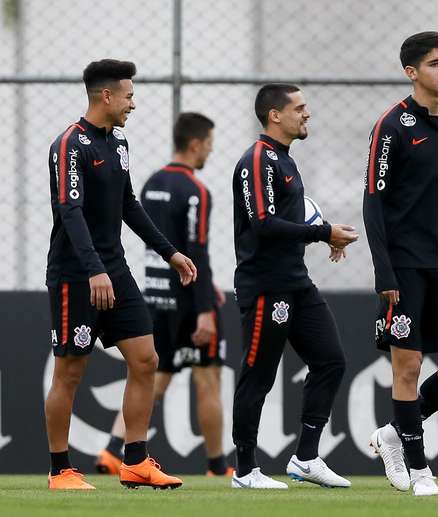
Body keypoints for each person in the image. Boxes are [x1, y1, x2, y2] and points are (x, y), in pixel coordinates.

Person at [45, 59, 197, 490]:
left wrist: (170, 253)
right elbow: (69, 212)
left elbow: (129, 205)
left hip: (115, 269)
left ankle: (134, 461)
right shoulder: (69, 144)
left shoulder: (119, 143)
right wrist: (93, 271)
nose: (134, 102)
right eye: (128, 95)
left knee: (146, 359)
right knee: (70, 372)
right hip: (77, 274)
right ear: (106, 95)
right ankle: (60, 470)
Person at [362, 31, 438, 497]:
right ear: (412, 73)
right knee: (407, 367)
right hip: (404, 267)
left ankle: (393, 433)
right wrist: (384, 271)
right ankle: (419, 469)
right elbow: (374, 200)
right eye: (435, 63)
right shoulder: (391, 126)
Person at [230, 84, 358, 489]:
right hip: (266, 287)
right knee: (259, 375)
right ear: (275, 115)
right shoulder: (256, 161)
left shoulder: (285, 161)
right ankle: (246, 470)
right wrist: (322, 232)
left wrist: (325, 235)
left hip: (297, 283)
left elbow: (293, 215)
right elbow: (263, 224)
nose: (308, 114)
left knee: (331, 360)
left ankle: (306, 457)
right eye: (300, 108)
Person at [95, 112, 233, 477]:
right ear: (195, 144)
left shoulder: (152, 183)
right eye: (209, 145)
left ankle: (113, 450)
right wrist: (205, 307)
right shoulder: (196, 191)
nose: (210, 152)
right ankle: (217, 467)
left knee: (153, 378)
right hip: (190, 301)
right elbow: (197, 249)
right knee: (208, 378)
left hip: (156, 298)